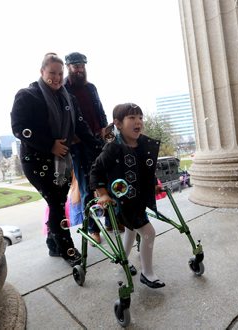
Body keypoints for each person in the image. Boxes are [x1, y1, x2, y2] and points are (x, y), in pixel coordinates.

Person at [11, 52, 101, 267]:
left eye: (60, 73)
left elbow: (81, 126)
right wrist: (49, 144)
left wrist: (100, 148)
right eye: (52, 72)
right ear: (42, 71)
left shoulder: (68, 97)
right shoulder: (27, 95)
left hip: (62, 159)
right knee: (57, 203)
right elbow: (19, 128)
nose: (57, 78)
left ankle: (53, 244)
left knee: (57, 203)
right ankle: (67, 250)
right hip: (36, 160)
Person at [90, 103, 165, 288]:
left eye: (140, 117)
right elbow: (96, 171)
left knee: (132, 230)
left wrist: (154, 184)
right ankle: (147, 274)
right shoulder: (113, 148)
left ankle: (123, 259)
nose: (138, 121)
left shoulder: (142, 146)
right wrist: (103, 194)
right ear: (118, 123)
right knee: (148, 232)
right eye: (132, 118)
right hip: (121, 200)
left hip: (136, 199)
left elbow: (146, 171)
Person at [64, 51, 117, 244]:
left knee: (106, 181)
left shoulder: (91, 87)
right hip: (79, 146)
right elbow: (63, 118)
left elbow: (99, 109)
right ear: (68, 67)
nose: (80, 69)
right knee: (87, 188)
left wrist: (104, 127)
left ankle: (110, 221)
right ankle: (93, 229)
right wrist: (72, 138)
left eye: (82, 66)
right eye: (76, 66)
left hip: (98, 141)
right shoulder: (63, 89)